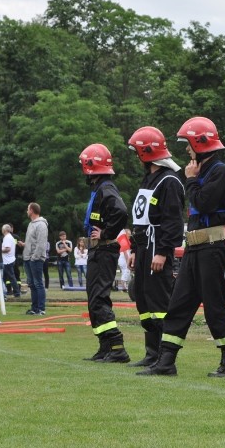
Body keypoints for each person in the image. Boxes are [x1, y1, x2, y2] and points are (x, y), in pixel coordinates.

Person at [139, 116, 225, 378]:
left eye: (188, 144)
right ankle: (166, 361)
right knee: (179, 303)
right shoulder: (202, 170)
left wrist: (191, 179)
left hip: (211, 245)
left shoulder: (220, 172)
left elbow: (203, 203)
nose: (186, 149)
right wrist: (193, 178)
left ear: (200, 143)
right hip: (194, 247)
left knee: (214, 305)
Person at [126, 126, 185, 367]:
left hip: (156, 248)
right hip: (142, 247)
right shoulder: (149, 178)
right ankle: (151, 352)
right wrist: (132, 248)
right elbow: (140, 218)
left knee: (159, 302)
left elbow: (173, 221)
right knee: (143, 300)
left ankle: (164, 355)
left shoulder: (169, 181)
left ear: (145, 152)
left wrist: (162, 252)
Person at [79, 143, 130, 363]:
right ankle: (105, 347)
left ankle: (117, 347)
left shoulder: (106, 188)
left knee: (99, 298)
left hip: (104, 250)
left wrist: (106, 232)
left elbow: (121, 211)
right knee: (94, 299)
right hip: (98, 251)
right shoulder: (101, 188)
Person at [22, 202, 49, 315]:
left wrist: (34, 257)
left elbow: (41, 243)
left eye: (28, 209)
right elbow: (32, 242)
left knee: (38, 283)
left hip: (35, 259)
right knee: (32, 284)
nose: (27, 211)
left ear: (32, 210)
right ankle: (34, 308)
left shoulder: (41, 225)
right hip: (28, 257)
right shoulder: (31, 224)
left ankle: (41, 309)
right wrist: (24, 245)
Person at [0, 224, 21, 298]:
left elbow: (7, 249)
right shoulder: (10, 237)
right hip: (10, 259)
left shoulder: (7, 237)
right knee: (6, 277)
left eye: (2, 229)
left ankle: (16, 292)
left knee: (10, 277)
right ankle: (3, 291)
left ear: (4, 230)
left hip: (7, 260)